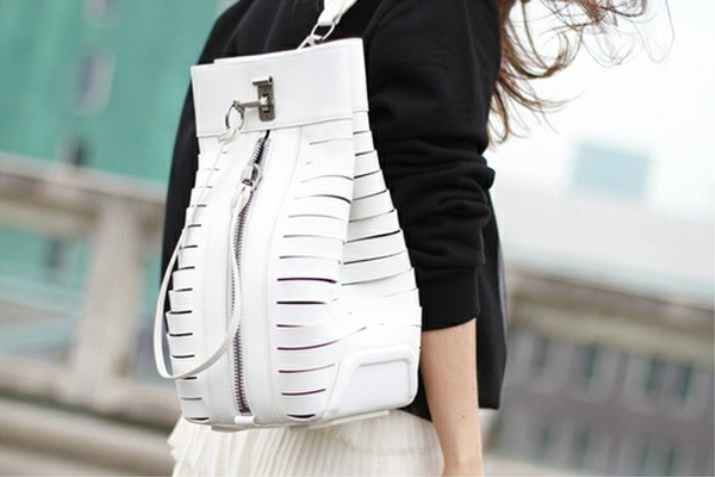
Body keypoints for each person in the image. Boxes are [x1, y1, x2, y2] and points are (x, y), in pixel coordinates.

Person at [160, 0, 650, 475]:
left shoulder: (253, 14)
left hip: (233, 419)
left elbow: (193, 199)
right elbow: (439, 225)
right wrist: (463, 457)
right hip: (361, 421)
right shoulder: (445, 10)